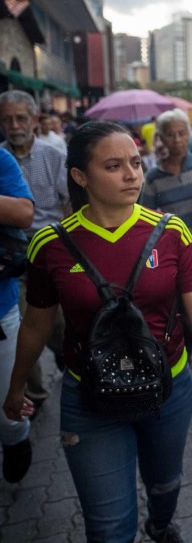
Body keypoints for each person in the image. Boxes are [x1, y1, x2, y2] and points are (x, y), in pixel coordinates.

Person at [3, 121, 192, 542]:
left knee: (165, 485)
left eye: (134, 162)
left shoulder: (170, 233)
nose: (132, 174)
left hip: (168, 390)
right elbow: (37, 324)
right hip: (88, 397)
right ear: (80, 176)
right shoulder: (49, 245)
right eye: (114, 166)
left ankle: (161, 523)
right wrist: (16, 387)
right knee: (109, 528)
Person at [0, 89, 70, 417]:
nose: (14, 125)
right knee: (21, 333)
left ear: (34, 120)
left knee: (57, 326)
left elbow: (69, 206)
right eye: (7, 119)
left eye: (20, 118)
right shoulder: (1, 159)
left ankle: (70, 364)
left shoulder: (54, 155)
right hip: (12, 262)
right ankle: (35, 395)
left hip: (51, 255)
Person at [140, 109, 192, 275]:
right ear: (161, 137)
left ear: (189, 134)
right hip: (175, 252)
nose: (177, 139)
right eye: (170, 134)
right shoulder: (152, 178)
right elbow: (145, 217)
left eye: (182, 133)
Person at [0, 146, 34, 483]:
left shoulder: (1, 159)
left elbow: (25, 212)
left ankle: (16, 439)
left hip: (1, 311)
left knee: (7, 406)